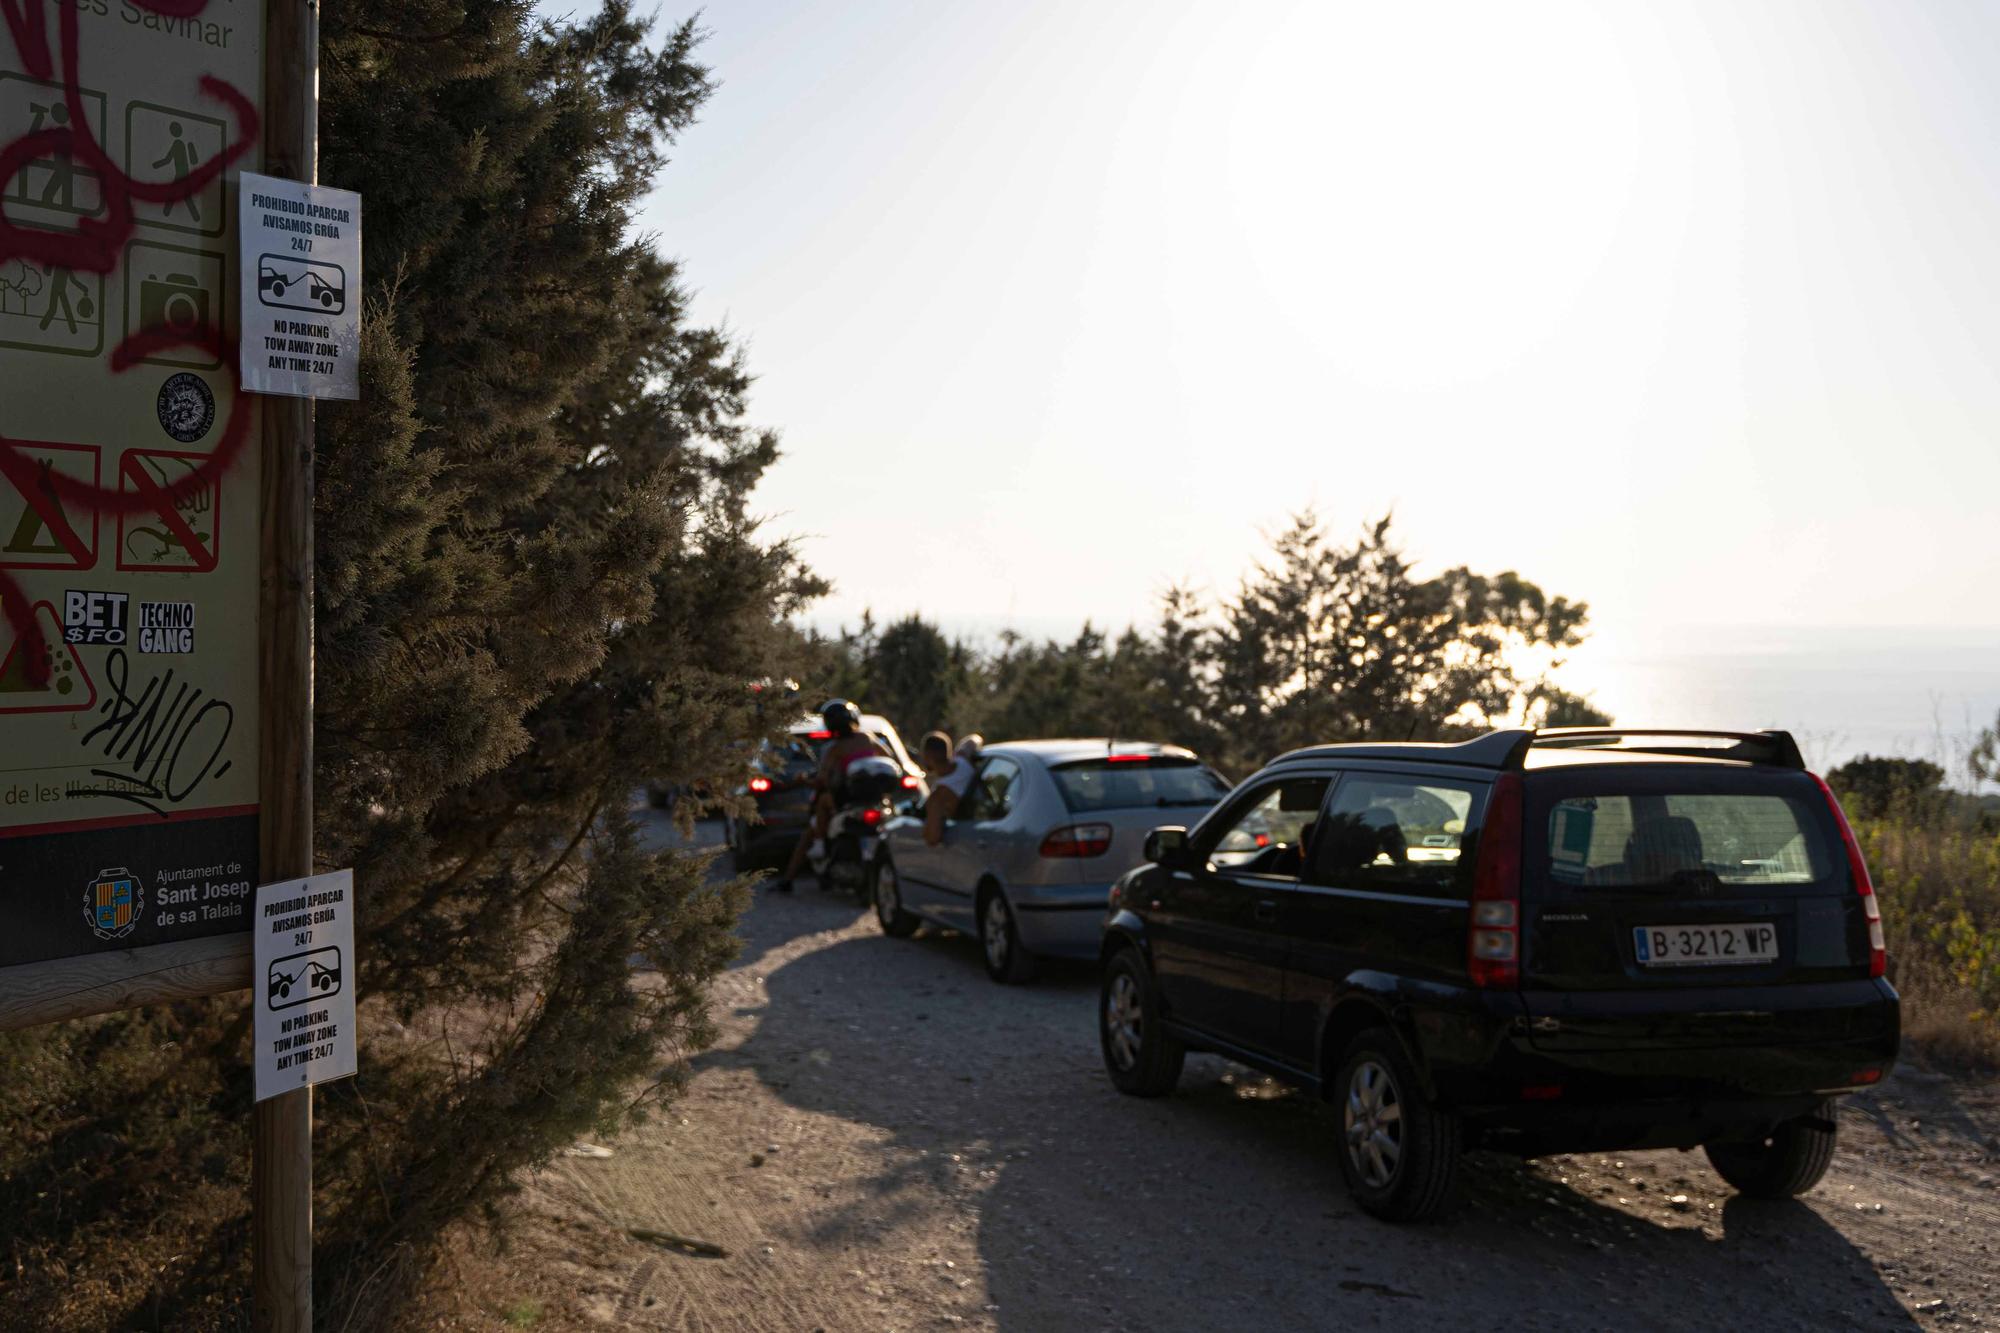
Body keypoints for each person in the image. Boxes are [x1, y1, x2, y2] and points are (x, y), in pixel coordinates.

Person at [773, 700, 886, 892]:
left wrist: (803, 781)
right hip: (875, 799)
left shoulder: (834, 749)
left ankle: (808, 855)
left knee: (816, 817)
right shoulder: (867, 739)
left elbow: (821, 781)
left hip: (845, 801)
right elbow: (888, 758)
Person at [919, 731, 980, 846]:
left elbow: (932, 839)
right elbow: (973, 739)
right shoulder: (964, 760)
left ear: (927, 756)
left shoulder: (937, 798)